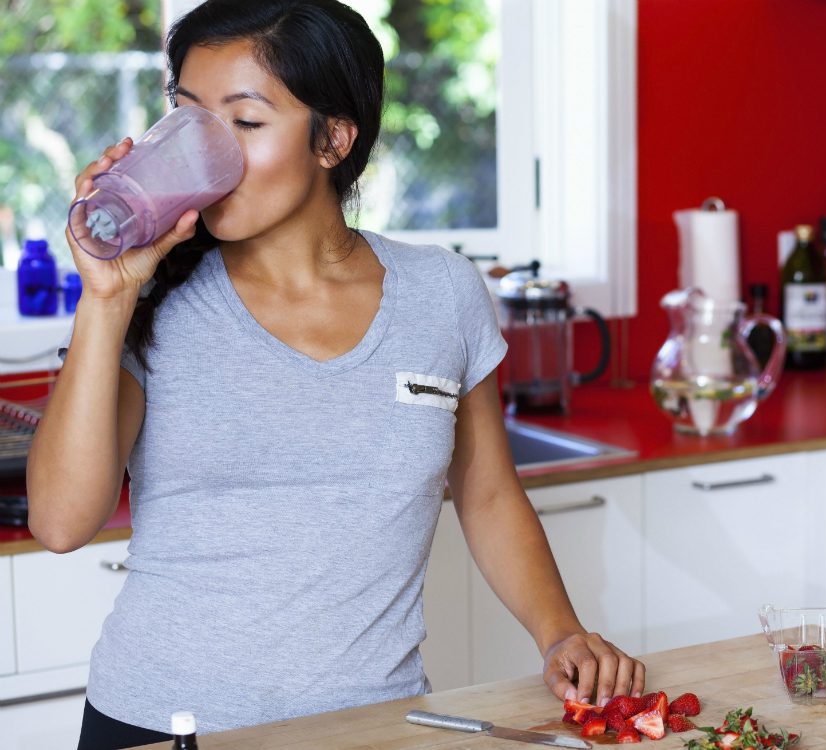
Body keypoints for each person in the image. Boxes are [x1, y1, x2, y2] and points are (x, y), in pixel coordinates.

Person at [26, 2, 644, 748]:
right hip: (160, 726)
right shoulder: (150, 297)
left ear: (333, 139)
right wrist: (106, 297)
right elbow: (60, 523)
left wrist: (559, 633)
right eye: (187, 117)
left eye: (245, 124)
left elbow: (485, 492)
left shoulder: (441, 295)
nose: (204, 152)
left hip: (372, 725)